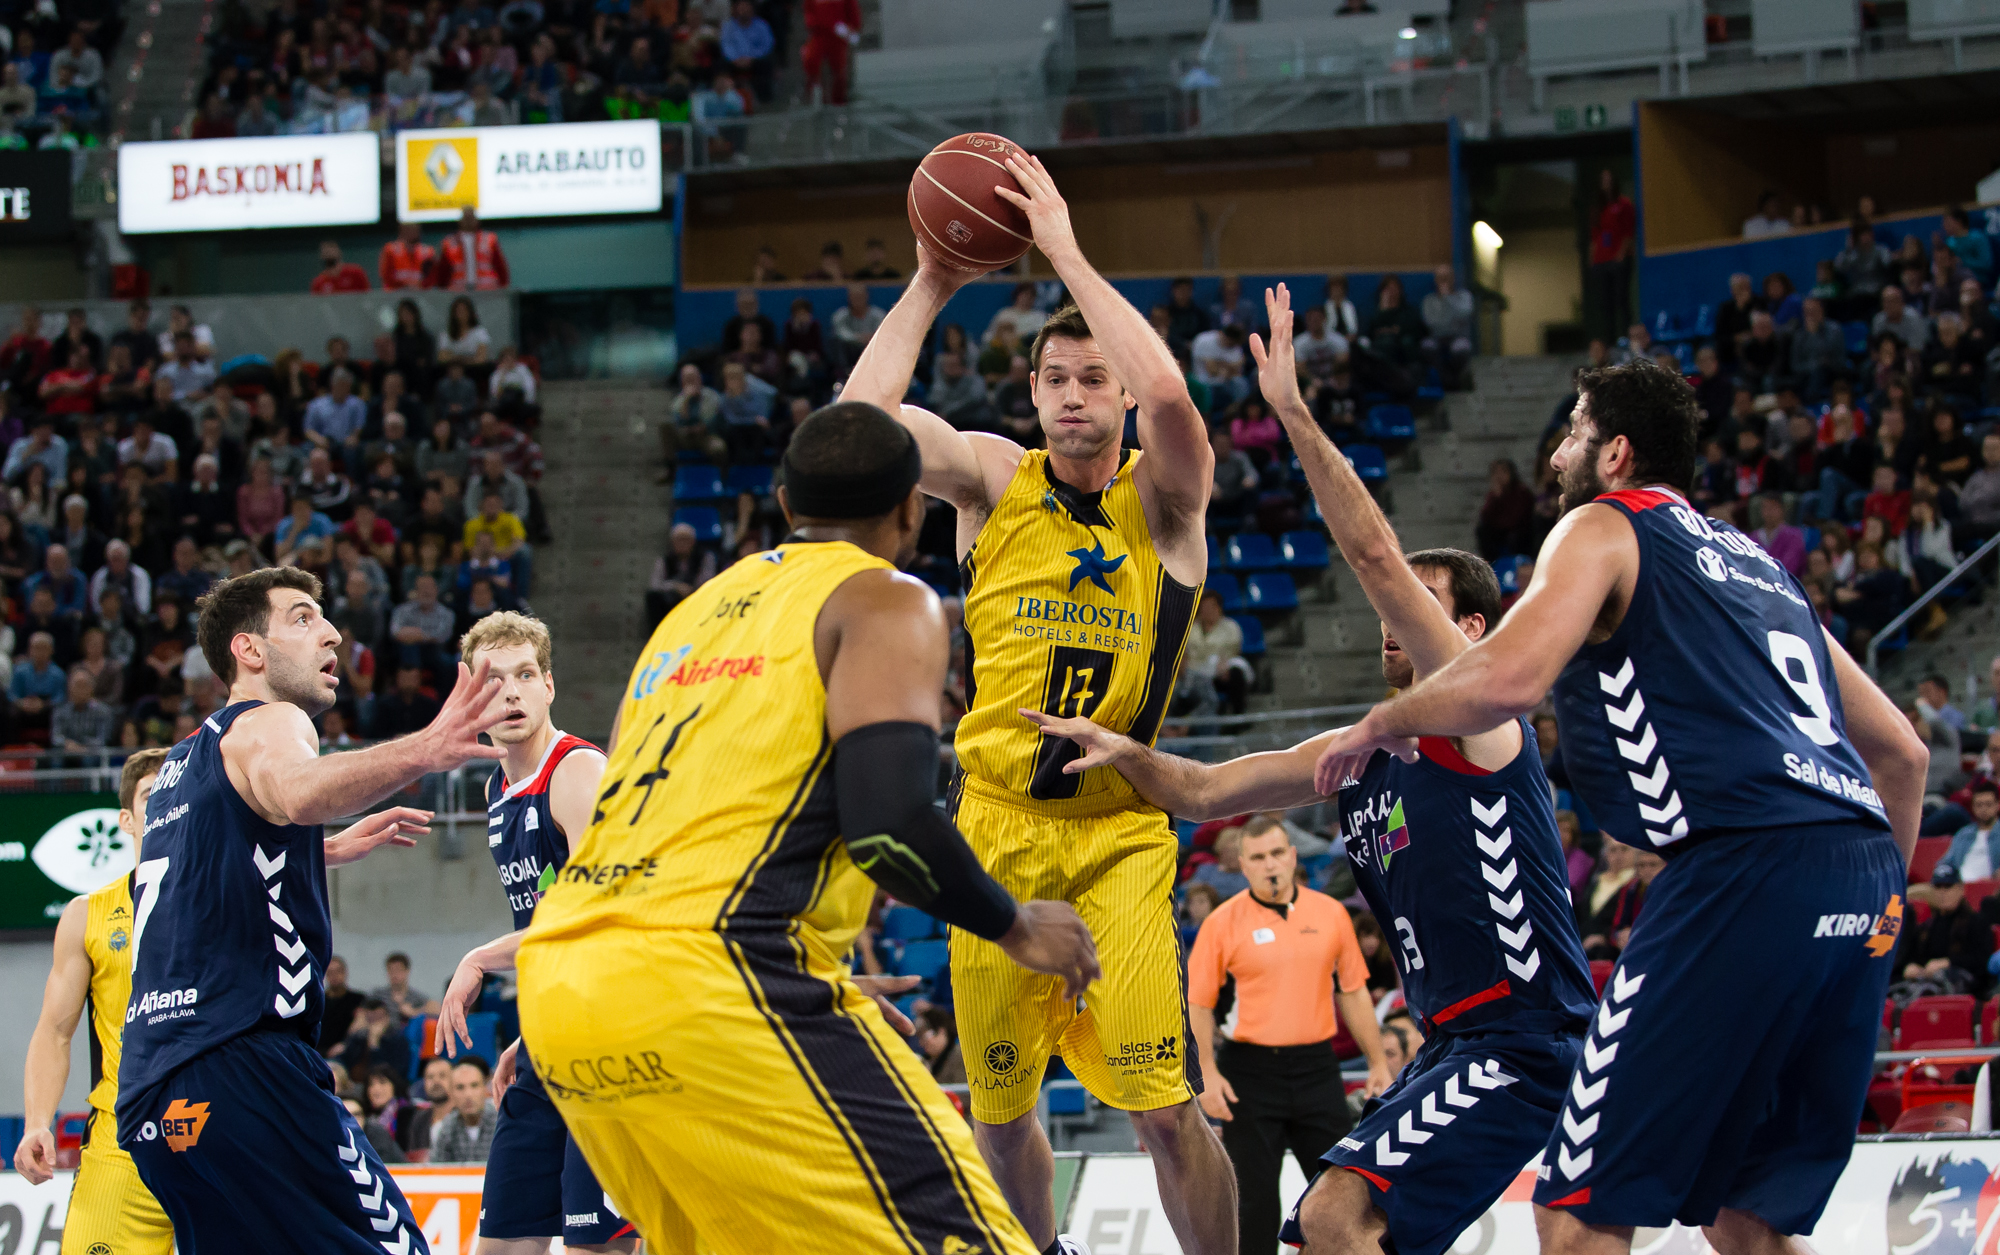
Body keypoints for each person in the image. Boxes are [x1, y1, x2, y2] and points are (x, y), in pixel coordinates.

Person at [1308, 357, 1926, 1246]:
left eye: (1573, 432)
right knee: (1748, 1218)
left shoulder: (1604, 524)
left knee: (1575, 1212)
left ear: (1616, 452)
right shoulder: (1759, 566)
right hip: (1862, 878)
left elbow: (1510, 679)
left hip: (1741, 868)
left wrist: (1380, 721)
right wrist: (1876, 916)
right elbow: (1902, 753)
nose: (1557, 454)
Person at [1032, 283, 1595, 1255]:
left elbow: (1373, 554)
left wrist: (1290, 411)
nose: (1392, 617)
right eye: (1394, 609)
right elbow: (1209, 791)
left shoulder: (1482, 720)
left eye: (1419, 604)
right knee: (1329, 1232)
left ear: (1469, 631)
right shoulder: (1361, 751)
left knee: (1337, 1215)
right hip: (1454, 1042)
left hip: (1524, 1036)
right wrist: (1126, 754)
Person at [515, 402, 1099, 1255]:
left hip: (565, 990)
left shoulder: (689, 617)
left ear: (785, 504)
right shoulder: (885, 598)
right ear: (912, 511)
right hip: (718, 979)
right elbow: (890, 826)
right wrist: (1016, 924)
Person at [837, 153, 1232, 1254]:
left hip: (1117, 835)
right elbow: (852, 432)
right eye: (1055, 377)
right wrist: (932, 279)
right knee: (1002, 1117)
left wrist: (1061, 247)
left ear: (1119, 393)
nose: (1072, 395)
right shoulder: (991, 479)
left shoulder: (1166, 500)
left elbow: (1174, 400)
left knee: (1165, 1109)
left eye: (1092, 378)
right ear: (1032, 392)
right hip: (996, 829)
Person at [115, 566, 509, 1253]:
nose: (330, 633)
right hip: (244, 1064)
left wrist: (314, 850)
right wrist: (425, 748)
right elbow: (295, 791)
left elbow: (204, 869)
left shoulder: (181, 763)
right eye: (302, 617)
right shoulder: (271, 719)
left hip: (154, 1093)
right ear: (249, 650)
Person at [430, 611, 638, 1252]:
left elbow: (598, 915)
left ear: (549, 685)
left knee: (594, 1247)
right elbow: (548, 927)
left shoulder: (578, 773)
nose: (512, 693)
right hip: (551, 1041)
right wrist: (532, 1033)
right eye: (494, 680)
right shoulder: (498, 787)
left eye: (525, 675)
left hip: (613, 1047)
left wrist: (480, 957)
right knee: (499, 1244)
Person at [1187, 822, 1391, 1255]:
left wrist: (1377, 1061)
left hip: (1317, 1070)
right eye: (1258, 858)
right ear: (1243, 866)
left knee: (1346, 1194)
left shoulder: (1331, 913)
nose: (1270, 865)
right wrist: (1206, 1072)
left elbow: (1352, 990)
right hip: (1249, 1074)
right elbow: (1199, 1003)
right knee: (1254, 1203)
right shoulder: (1222, 923)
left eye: (1277, 853)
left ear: (1293, 856)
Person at [15, 750, 177, 1255]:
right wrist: (38, 1121)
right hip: (123, 1137)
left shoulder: (232, 894)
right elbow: (54, 1031)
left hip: (221, 1130)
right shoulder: (87, 915)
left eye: (175, 791)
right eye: (151, 795)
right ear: (127, 820)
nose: (166, 802)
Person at [1899, 865, 1992, 993]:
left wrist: (1948, 963)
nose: (1942, 892)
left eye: (1948, 886)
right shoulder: (1926, 927)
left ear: (1960, 890)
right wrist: (1911, 966)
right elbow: (1912, 957)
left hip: (1966, 988)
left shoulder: (1977, 922)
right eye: (1938, 887)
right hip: (1927, 983)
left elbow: (1981, 960)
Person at [1590, 170, 1636, 338]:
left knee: (1621, 300)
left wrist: (1621, 254)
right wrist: (1593, 259)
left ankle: (1625, 336)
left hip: (1619, 259)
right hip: (1601, 261)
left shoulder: (1624, 204)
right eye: (1603, 180)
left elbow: (1629, 231)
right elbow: (1594, 236)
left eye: (1608, 179)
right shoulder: (1597, 208)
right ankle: (1608, 339)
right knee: (1605, 303)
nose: (1606, 182)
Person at [431, 1056, 499, 1163]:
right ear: (450, 1093)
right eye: (460, 1087)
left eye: (474, 1085)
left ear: (485, 1089)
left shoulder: (502, 1122)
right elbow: (437, 1169)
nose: (468, 1095)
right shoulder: (445, 1128)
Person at [439, 208, 510, 291]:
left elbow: (499, 265)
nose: (468, 221)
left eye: (471, 218)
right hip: (459, 289)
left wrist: (503, 285)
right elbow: (443, 270)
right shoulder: (449, 242)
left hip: (487, 289)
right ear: (460, 221)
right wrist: (443, 289)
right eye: (466, 218)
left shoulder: (489, 239)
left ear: (477, 221)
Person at [1944, 781, 2000, 881]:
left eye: (1988, 804)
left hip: (1992, 885)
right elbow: (1947, 863)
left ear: (1997, 805)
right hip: (1959, 886)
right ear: (1973, 807)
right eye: (1979, 805)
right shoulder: (1963, 834)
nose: (1983, 809)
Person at [380, 223, 437, 292]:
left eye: (414, 228)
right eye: (408, 228)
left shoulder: (428, 252)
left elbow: (431, 279)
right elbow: (386, 277)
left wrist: (418, 285)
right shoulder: (390, 250)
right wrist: (407, 285)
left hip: (420, 294)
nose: (412, 230)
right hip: (395, 294)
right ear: (402, 230)